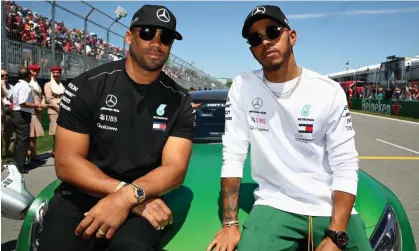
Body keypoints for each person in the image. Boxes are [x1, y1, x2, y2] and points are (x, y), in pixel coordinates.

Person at [207, 5, 372, 251]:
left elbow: (345, 164)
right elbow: (233, 154)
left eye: (272, 32)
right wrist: (230, 223)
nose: (265, 42)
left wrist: (336, 235)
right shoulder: (243, 86)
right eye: (255, 38)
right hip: (275, 203)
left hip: (327, 205)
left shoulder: (328, 91)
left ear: (291, 36)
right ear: (251, 49)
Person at [38, 4, 195, 251]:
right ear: (129, 36)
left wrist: (127, 198)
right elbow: (67, 161)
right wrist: (121, 193)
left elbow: (175, 168)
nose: (156, 42)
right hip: (82, 197)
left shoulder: (180, 100)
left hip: (140, 201)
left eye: (165, 37)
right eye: (147, 33)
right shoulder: (88, 86)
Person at [10, 67, 49, 173]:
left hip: (16, 114)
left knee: (20, 140)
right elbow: (23, 103)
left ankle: (18, 162)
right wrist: (38, 105)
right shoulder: (25, 87)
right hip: (22, 114)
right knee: (23, 140)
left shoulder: (17, 85)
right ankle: (20, 166)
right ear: (29, 76)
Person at [43, 66, 65, 157]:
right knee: (55, 131)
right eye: (54, 73)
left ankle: (60, 149)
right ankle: (55, 150)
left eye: (58, 72)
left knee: (62, 131)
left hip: (62, 109)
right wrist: (57, 108)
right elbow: (48, 99)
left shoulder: (61, 84)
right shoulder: (48, 84)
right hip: (54, 109)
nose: (56, 74)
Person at [27, 64, 47, 160]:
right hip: (32, 110)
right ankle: (31, 155)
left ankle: (33, 154)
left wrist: (42, 102)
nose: (35, 73)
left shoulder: (36, 82)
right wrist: (38, 106)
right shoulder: (28, 83)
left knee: (34, 135)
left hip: (38, 110)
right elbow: (28, 99)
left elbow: (41, 95)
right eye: (33, 71)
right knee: (31, 134)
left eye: (37, 71)